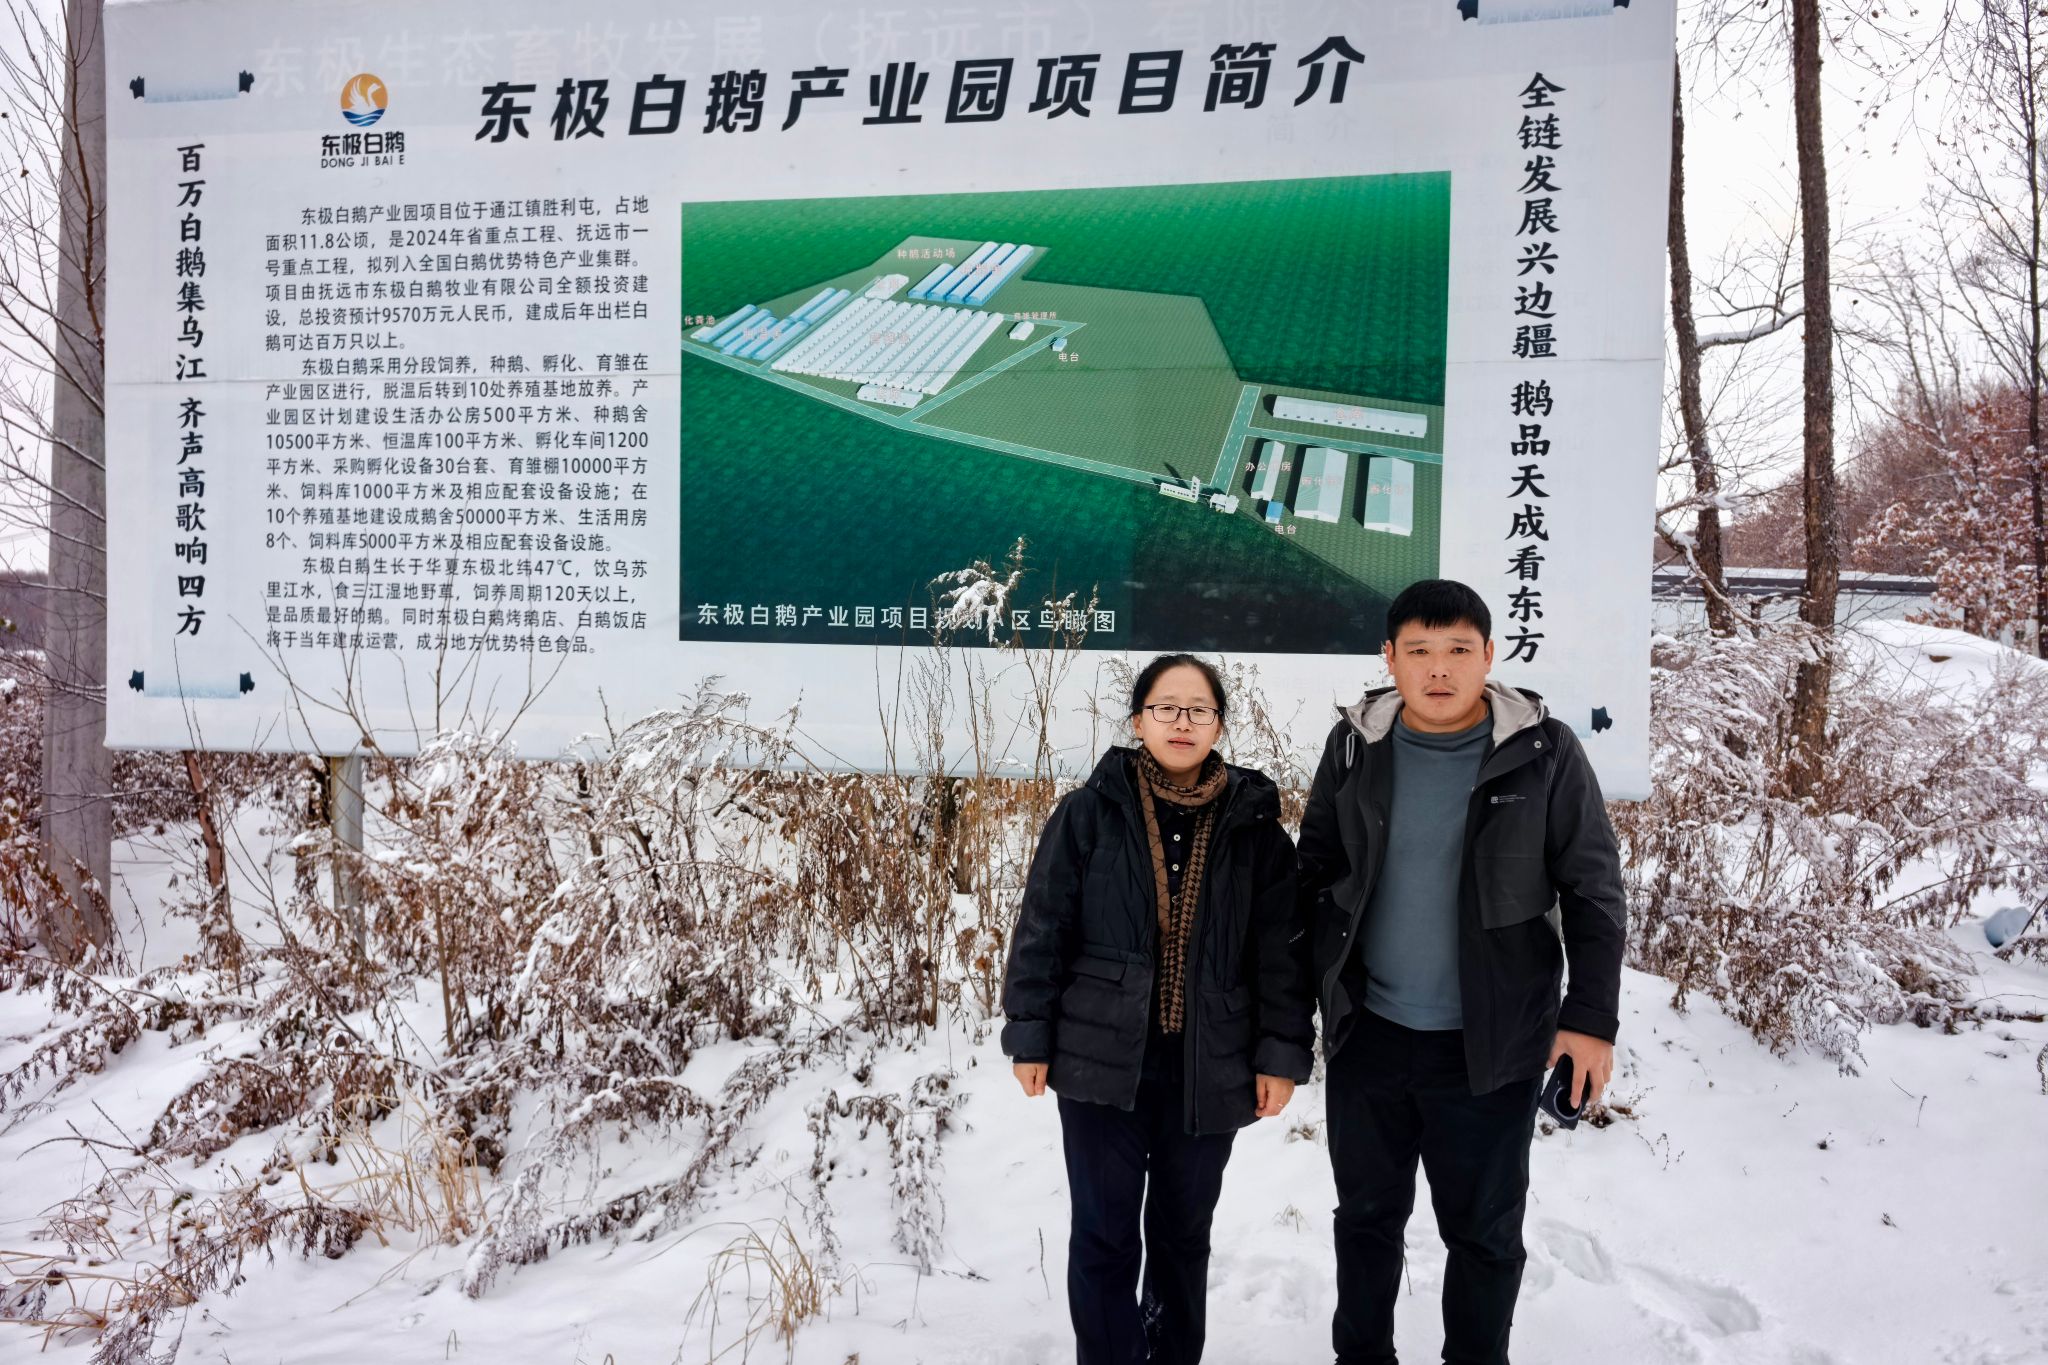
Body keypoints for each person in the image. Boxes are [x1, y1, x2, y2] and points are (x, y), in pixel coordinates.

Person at [1297, 579, 1627, 1365]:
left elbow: (1593, 888)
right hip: (1369, 1036)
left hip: (1492, 1044)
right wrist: (1295, 1005)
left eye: (1457, 650)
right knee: (1365, 1220)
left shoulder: (1544, 750)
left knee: (1484, 1234)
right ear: (1390, 657)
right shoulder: (1354, 746)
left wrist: (1589, 1018)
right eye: (1419, 650)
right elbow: (1313, 875)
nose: (1438, 668)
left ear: (1488, 654)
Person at [1001, 653, 1314, 1365]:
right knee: (1104, 1234)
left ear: (1219, 725)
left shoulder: (1257, 832)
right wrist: (1030, 1035)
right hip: (1099, 1059)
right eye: (1166, 707)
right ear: (1138, 719)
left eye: (1198, 709)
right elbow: (1044, 926)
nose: (1182, 721)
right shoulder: (1088, 813)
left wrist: (1280, 1054)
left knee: (1182, 1234)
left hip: (1211, 1063)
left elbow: (1282, 955)